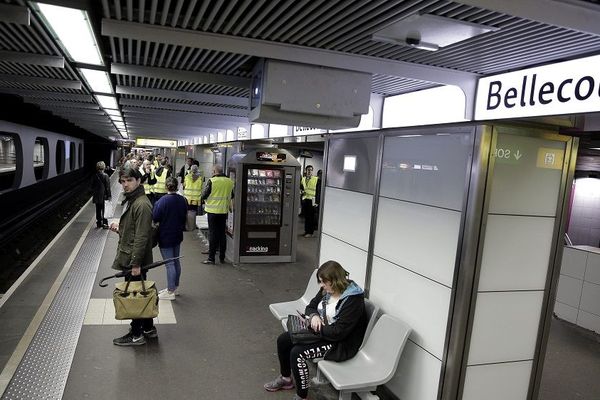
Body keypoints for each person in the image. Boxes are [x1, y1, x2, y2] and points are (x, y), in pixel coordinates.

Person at [264, 261, 367, 400]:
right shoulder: (327, 290)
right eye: (320, 282)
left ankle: (302, 396)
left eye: (324, 282)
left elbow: (339, 333)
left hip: (340, 343)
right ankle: (286, 378)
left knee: (297, 353)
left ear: (336, 281)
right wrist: (314, 317)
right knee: (283, 340)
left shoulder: (353, 300)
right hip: (322, 332)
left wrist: (316, 327)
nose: (321, 286)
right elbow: (311, 306)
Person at [110, 165, 157, 346]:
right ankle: (148, 329)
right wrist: (120, 229)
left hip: (134, 259)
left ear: (138, 181)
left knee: (134, 296)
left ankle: (136, 335)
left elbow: (142, 237)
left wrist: (136, 264)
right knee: (141, 292)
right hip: (131, 255)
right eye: (122, 181)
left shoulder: (142, 204)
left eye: (129, 180)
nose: (125, 184)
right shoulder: (133, 200)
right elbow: (134, 231)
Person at [152, 177, 188, 300]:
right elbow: (184, 216)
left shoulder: (162, 201)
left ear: (166, 186)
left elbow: (155, 217)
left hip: (165, 235)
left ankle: (170, 291)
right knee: (176, 261)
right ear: (177, 186)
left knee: (169, 264)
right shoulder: (183, 200)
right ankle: (174, 287)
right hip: (178, 235)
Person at [201, 164, 234, 264]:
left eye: (212, 171)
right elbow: (231, 195)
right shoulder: (229, 182)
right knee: (222, 234)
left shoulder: (212, 181)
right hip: (223, 212)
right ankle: (222, 257)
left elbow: (204, 195)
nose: (212, 172)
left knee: (213, 234)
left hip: (212, 212)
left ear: (215, 171)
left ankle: (211, 258)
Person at [91, 161, 111, 228]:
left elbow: (92, 186)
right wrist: (109, 196)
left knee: (98, 210)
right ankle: (105, 224)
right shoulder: (106, 176)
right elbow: (107, 187)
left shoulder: (94, 176)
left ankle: (98, 223)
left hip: (97, 196)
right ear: (104, 167)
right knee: (104, 210)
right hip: (104, 196)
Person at [300, 165, 319, 238]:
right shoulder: (303, 179)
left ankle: (310, 232)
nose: (309, 171)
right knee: (306, 217)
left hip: (313, 200)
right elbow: (302, 188)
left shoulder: (316, 179)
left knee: (311, 217)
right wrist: (301, 191)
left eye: (311, 170)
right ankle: (306, 231)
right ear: (305, 170)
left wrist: (317, 202)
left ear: (312, 171)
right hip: (305, 200)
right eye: (308, 170)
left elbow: (318, 191)